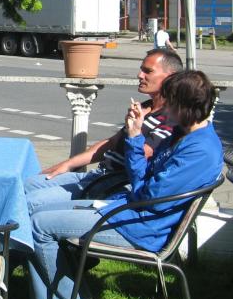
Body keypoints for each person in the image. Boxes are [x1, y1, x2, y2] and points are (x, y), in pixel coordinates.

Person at [25, 70, 223, 299]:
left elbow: (149, 197)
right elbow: (143, 177)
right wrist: (135, 135)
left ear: (185, 107)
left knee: (39, 225)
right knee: (38, 212)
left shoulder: (199, 150)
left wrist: (136, 143)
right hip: (128, 211)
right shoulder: (184, 135)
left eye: (171, 102)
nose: (165, 108)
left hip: (139, 226)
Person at [25, 49, 183, 212]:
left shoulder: (171, 118)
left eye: (147, 71)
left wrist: (134, 130)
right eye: (141, 69)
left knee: (31, 203)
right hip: (99, 175)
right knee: (27, 184)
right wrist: (67, 165)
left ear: (170, 77)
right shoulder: (145, 107)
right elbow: (111, 143)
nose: (139, 75)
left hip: (115, 186)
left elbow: (141, 157)